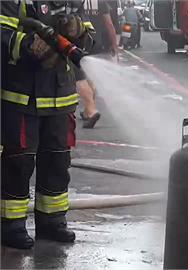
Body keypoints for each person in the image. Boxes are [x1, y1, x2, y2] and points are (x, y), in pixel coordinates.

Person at [0, 0, 91, 249]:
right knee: (18, 162)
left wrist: (78, 31)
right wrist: (29, 45)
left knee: (57, 162)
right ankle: (12, 225)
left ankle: (52, 221)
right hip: (22, 95)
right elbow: (3, 37)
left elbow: (90, 40)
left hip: (60, 96)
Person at [77, 0, 119, 128]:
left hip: (80, 42)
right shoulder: (101, 3)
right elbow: (109, 24)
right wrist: (114, 46)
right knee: (90, 78)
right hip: (96, 43)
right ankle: (87, 110)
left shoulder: (75, 2)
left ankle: (91, 110)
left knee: (78, 76)